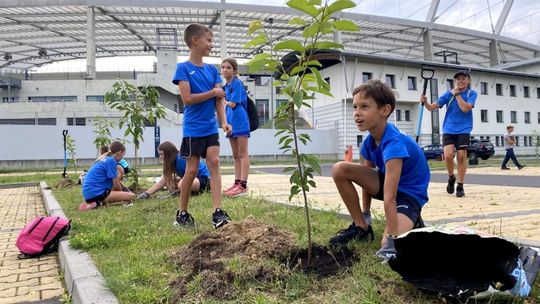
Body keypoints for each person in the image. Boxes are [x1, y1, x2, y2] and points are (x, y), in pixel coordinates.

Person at [330, 79, 430, 260]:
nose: (357, 113)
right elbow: (368, 182)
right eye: (355, 107)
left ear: (385, 110)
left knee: (387, 246)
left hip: (408, 194)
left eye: (364, 107)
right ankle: (361, 227)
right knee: (340, 169)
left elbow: (390, 196)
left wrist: (391, 240)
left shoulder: (394, 144)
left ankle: (412, 220)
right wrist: (366, 215)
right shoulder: (368, 142)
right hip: (386, 185)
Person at [172, 23, 232, 228]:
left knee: (214, 162)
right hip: (192, 129)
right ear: (195, 41)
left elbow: (218, 100)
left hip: (209, 128)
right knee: (192, 170)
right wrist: (212, 93)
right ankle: (182, 214)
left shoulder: (212, 70)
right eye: (208, 40)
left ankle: (217, 211)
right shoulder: (183, 68)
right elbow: (187, 99)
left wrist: (223, 122)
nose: (211, 45)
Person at [420, 70, 477, 197]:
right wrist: (426, 102)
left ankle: (460, 186)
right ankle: (451, 177)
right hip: (448, 129)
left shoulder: (471, 93)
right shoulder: (447, 95)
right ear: (455, 81)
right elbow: (431, 108)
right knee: (449, 155)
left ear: (468, 80)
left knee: (462, 156)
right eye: (458, 79)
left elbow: (465, 108)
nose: (460, 81)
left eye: (463, 79)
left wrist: (457, 95)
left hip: (464, 129)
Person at [137, 141, 211, 199]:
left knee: (182, 184)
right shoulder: (169, 163)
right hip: (191, 180)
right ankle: (181, 192)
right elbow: (161, 183)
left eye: (161, 154)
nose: (160, 157)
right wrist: (146, 194)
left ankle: (185, 192)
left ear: (168, 153)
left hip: (203, 179)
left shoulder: (181, 158)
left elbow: (191, 174)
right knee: (169, 182)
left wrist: (179, 180)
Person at [221, 58, 250, 197]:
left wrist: (221, 99)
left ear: (234, 71)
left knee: (243, 153)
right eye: (223, 67)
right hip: (230, 123)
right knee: (235, 155)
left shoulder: (237, 83)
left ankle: (243, 185)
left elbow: (232, 104)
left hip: (240, 122)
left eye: (228, 67)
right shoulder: (225, 86)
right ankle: (237, 182)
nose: (225, 70)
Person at [79, 141, 135, 211]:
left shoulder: (104, 158)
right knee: (131, 197)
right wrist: (122, 194)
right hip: (97, 194)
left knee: (119, 168)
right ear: (119, 152)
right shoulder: (111, 161)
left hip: (89, 194)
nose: (122, 158)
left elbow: (115, 179)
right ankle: (99, 203)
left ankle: (97, 203)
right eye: (122, 156)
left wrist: (125, 189)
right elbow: (116, 184)